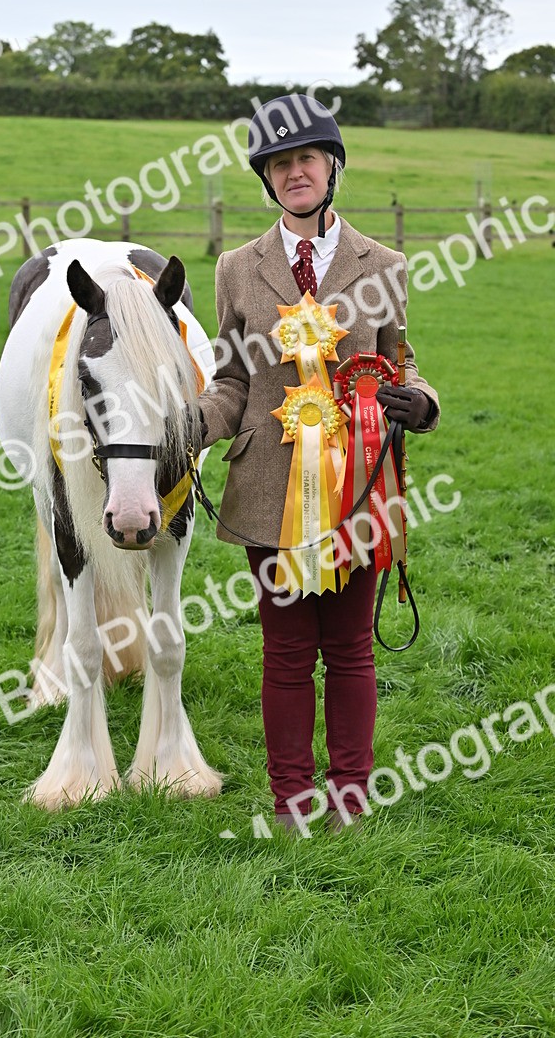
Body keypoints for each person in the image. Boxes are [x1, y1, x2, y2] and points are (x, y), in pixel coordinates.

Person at [197, 94, 439, 834]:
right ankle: (292, 799)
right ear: (266, 179)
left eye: (306, 158)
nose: (294, 173)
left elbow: (402, 363)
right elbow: (231, 381)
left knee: (351, 650)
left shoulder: (384, 265)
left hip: (358, 486)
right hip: (269, 488)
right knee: (286, 653)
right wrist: (189, 427)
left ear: (331, 166)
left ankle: (350, 797)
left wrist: (420, 402)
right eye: (279, 164)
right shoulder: (237, 269)